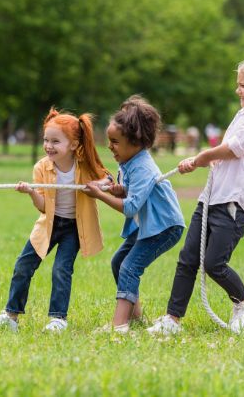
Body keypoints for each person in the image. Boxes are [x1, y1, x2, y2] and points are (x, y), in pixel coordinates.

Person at [147, 54, 244, 335]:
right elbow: (228, 153)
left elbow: (237, 146)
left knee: (213, 263)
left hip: (235, 202)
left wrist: (201, 156)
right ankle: (172, 320)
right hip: (212, 198)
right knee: (188, 258)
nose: (238, 90)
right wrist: (208, 160)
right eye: (238, 85)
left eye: (243, 85)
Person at [0, 108, 112, 333]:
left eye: (55, 141)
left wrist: (100, 185)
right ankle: (10, 317)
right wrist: (31, 192)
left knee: (61, 269)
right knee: (23, 265)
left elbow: (108, 177)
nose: (48, 146)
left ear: (73, 144)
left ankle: (58, 319)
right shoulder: (41, 167)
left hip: (73, 228)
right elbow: (43, 207)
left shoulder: (84, 164)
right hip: (49, 225)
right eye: (46, 140)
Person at [83, 96, 185, 333]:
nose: (110, 146)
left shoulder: (142, 166)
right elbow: (134, 192)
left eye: (115, 142)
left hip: (164, 227)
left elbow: (130, 207)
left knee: (129, 267)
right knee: (119, 262)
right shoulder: (129, 161)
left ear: (136, 142)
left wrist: (100, 196)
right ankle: (136, 317)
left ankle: (119, 325)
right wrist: (119, 189)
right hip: (148, 224)